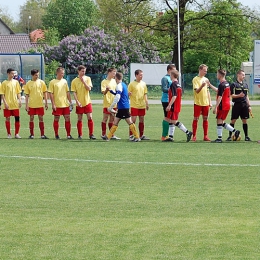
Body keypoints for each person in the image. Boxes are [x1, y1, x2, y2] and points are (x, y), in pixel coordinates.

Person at [105, 72, 140, 142]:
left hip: (123, 107)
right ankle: (108, 137)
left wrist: (111, 107)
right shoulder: (124, 85)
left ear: (116, 78)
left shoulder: (119, 85)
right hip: (123, 107)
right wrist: (111, 91)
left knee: (129, 122)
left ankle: (137, 137)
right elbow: (120, 94)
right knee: (115, 122)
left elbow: (118, 96)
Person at [212, 69, 241, 143]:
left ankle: (219, 138)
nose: (216, 75)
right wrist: (209, 85)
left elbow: (220, 97)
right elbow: (219, 91)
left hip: (223, 105)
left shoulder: (221, 85)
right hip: (227, 104)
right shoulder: (226, 83)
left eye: (217, 74)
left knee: (219, 120)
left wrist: (215, 107)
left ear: (220, 75)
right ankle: (235, 131)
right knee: (222, 121)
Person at [164, 70, 192, 142]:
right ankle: (170, 137)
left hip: (174, 105)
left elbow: (174, 96)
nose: (170, 76)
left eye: (170, 75)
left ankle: (187, 132)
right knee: (170, 120)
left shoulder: (173, 84)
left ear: (172, 75)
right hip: (177, 105)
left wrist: (169, 105)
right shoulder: (178, 84)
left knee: (172, 120)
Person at [71, 65, 96, 140]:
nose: (83, 72)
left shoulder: (88, 79)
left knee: (90, 117)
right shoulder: (74, 81)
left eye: (84, 71)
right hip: (79, 103)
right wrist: (77, 101)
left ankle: (91, 134)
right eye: (82, 71)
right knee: (79, 118)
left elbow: (89, 89)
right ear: (78, 71)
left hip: (87, 102)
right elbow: (74, 92)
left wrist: (84, 82)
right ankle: (80, 135)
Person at [48, 67, 73, 139]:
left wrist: (70, 102)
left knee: (67, 118)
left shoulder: (65, 81)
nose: (63, 74)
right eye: (62, 73)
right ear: (57, 73)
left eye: (63, 73)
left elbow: (67, 92)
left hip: (65, 104)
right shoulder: (52, 82)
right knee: (56, 119)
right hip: (57, 104)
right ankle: (56, 134)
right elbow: (51, 94)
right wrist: (53, 104)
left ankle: (68, 135)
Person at [227, 70, 252, 141]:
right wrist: (239, 95)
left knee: (245, 120)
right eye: (242, 75)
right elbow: (232, 95)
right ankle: (229, 136)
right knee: (233, 120)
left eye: (244, 75)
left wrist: (249, 105)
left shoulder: (245, 85)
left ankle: (246, 136)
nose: (244, 76)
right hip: (237, 105)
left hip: (244, 105)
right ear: (238, 75)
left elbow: (247, 96)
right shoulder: (234, 84)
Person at [24, 69, 48, 139]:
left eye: (38, 75)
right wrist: (26, 105)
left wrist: (46, 102)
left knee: (41, 118)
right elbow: (27, 95)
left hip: (40, 104)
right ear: (32, 75)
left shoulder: (41, 82)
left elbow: (45, 92)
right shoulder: (28, 83)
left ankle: (42, 135)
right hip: (32, 105)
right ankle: (32, 135)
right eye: (36, 75)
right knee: (31, 118)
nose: (37, 76)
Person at [192, 64, 214, 142]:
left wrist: (210, 102)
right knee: (196, 118)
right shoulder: (195, 79)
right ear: (200, 70)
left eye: (206, 71)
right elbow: (197, 91)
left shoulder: (206, 79)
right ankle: (194, 136)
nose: (205, 72)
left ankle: (205, 136)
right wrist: (202, 85)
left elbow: (208, 92)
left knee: (205, 119)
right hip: (198, 102)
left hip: (206, 103)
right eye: (204, 71)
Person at [0, 68, 22, 138]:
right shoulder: (4, 83)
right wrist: (5, 103)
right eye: (12, 73)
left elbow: (18, 92)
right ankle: (9, 134)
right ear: (8, 74)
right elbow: (2, 94)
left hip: (15, 104)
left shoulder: (16, 82)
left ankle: (17, 134)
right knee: (7, 118)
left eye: (14, 73)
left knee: (17, 118)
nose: (13, 75)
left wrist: (20, 100)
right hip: (7, 104)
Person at [128, 69, 150, 140]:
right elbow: (127, 94)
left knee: (141, 120)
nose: (141, 76)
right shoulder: (131, 84)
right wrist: (128, 94)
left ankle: (141, 135)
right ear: (136, 75)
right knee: (133, 120)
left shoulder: (143, 84)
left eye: (142, 75)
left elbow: (145, 94)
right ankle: (131, 135)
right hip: (134, 105)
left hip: (142, 105)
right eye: (140, 75)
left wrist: (146, 103)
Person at [100, 67, 120, 140]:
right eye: (113, 72)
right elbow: (103, 93)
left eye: (115, 72)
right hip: (107, 103)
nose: (114, 74)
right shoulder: (104, 82)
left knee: (112, 119)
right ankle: (103, 134)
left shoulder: (114, 81)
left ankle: (111, 134)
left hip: (114, 103)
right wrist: (106, 90)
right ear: (109, 72)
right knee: (105, 118)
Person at [161, 64, 176, 141]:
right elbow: (164, 89)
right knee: (167, 117)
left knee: (170, 118)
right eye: (174, 70)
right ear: (169, 70)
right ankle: (164, 135)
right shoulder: (165, 78)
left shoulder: (172, 78)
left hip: (171, 100)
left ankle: (169, 135)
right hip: (166, 100)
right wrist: (173, 90)